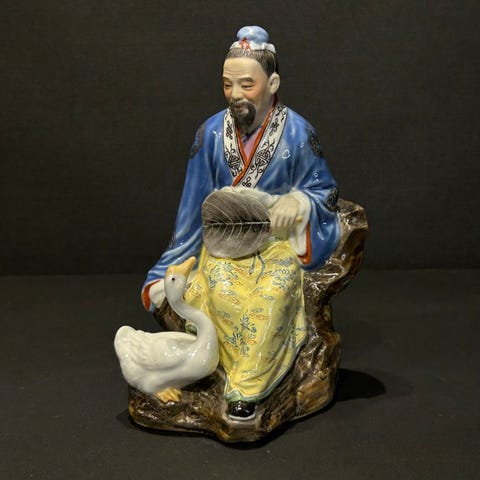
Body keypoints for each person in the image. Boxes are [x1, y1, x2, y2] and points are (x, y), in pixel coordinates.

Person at [142, 26, 340, 420]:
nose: (235, 94)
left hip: (275, 248)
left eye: (247, 85)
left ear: (273, 83)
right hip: (222, 247)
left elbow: (326, 192)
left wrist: (299, 201)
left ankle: (248, 389)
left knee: (273, 296)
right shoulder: (209, 134)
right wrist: (171, 266)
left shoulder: (299, 133)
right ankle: (221, 375)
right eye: (227, 84)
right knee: (219, 292)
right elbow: (192, 207)